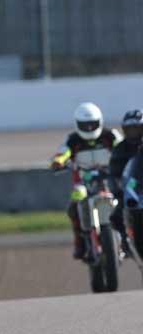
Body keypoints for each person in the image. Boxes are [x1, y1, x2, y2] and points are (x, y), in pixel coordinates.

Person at [50, 102, 123, 259]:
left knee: (126, 199)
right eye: (85, 125)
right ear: (77, 124)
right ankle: (80, 242)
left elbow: (122, 148)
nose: (89, 128)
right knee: (74, 206)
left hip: (110, 178)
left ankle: (128, 236)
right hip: (83, 181)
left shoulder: (110, 135)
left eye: (92, 124)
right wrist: (58, 161)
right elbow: (63, 153)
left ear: (100, 121)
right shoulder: (72, 140)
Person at [109, 109, 143, 255]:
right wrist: (118, 189)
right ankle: (125, 242)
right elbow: (113, 173)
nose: (133, 132)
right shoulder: (120, 149)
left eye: (136, 128)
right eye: (130, 129)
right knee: (116, 214)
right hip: (130, 188)